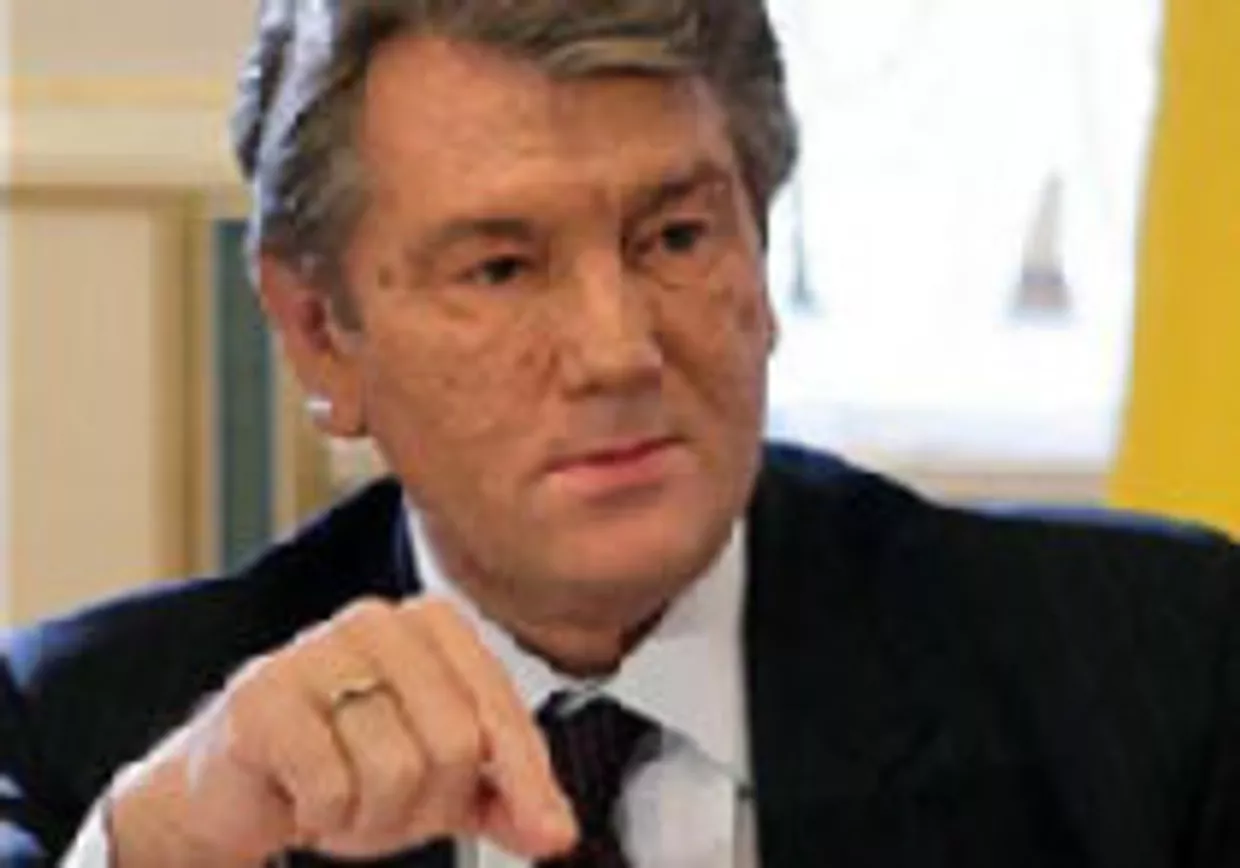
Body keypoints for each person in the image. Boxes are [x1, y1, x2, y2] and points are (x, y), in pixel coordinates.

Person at [3, 0, 1240, 865]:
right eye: (500, 268)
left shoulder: (1155, 672)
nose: (616, 350)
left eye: (676, 238)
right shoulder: (87, 734)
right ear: (319, 333)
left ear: (760, 247)